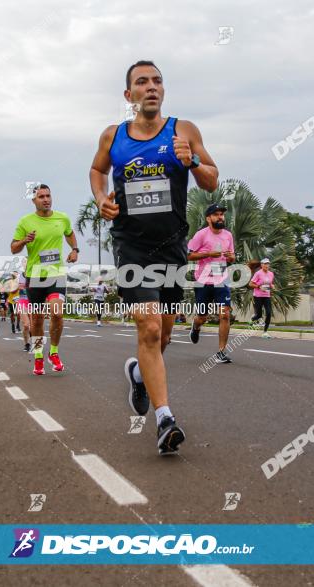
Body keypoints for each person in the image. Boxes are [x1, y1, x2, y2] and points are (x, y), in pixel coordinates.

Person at [89, 59, 219, 455]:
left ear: (163, 91)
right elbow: (97, 170)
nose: (151, 87)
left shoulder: (184, 131)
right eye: (142, 82)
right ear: (128, 96)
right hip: (131, 245)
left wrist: (192, 161)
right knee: (147, 327)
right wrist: (101, 200)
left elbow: (213, 179)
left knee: (162, 333)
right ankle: (165, 419)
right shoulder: (113, 136)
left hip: (172, 247)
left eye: (157, 81)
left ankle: (140, 376)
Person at [10, 184, 79, 375]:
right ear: (34, 200)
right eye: (41, 196)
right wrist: (24, 241)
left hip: (56, 274)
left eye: (48, 195)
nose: (46, 199)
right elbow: (13, 248)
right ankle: (39, 355)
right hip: (34, 276)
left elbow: (70, 233)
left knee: (57, 313)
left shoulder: (62, 218)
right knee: (38, 319)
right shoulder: (25, 222)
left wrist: (74, 250)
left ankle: (54, 352)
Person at [188, 203, 235, 364]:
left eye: (222, 214)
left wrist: (230, 257)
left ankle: (221, 351)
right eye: (216, 214)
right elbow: (188, 255)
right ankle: (196, 326)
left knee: (225, 314)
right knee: (202, 317)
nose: (220, 217)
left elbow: (232, 258)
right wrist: (208, 253)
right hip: (203, 281)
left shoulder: (228, 235)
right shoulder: (201, 235)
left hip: (221, 280)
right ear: (208, 218)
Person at [249, 258, 274, 338]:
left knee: (269, 313)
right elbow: (250, 284)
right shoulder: (258, 273)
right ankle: (253, 319)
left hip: (267, 296)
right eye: (265, 264)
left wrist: (272, 286)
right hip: (258, 296)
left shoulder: (271, 274)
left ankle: (265, 332)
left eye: (268, 264)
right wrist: (259, 287)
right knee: (259, 315)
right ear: (261, 265)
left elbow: (270, 284)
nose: (267, 265)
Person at [15, 273, 32, 351]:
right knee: (26, 325)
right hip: (22, 301)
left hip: (33, 302)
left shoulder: (36, 274)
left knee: (33, 326)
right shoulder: (19, 276)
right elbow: (12, 290)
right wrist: (17, 287)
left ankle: (35, 343)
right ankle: (27, 344)